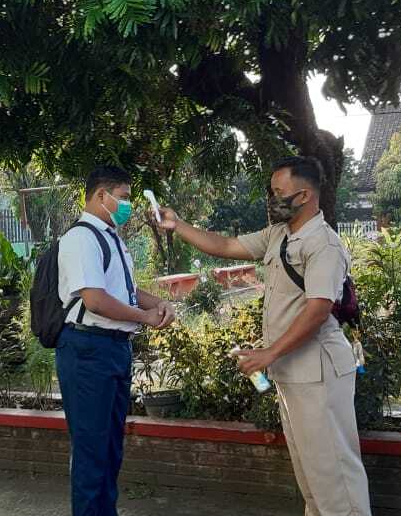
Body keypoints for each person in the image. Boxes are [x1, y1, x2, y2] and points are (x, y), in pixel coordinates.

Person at [158, 157, 372, 516]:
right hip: (293, 372)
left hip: (318, 372)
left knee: (335, 477)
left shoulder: (324, 245)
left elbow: (318, 311)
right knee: (312, 477)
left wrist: (269, 353)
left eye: (278, 192)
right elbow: (225, 246)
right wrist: (177, 225)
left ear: (303, 196)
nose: (271, 199)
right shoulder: (279, 234)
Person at [56, 165, 177, 516]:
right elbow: (94, 299)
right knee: (92, 454)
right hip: (87, 350)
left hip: (111, 350)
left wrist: (159, 304)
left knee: (109, 450)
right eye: (122, 198)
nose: (126, 206)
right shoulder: (81, 238)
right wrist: (145, 318)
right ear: (100, 196)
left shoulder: (110, 238)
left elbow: (125, 291)